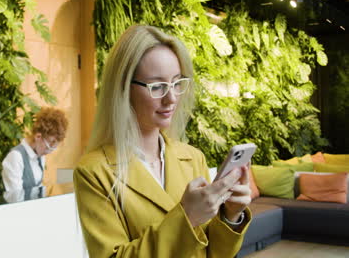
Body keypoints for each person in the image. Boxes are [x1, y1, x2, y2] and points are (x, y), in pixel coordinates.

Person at [73, 25, 252, 257]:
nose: (171, 98)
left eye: (177, 83)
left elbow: (211, 253)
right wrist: (187, 217)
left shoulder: (192, 158)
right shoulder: (94, 172)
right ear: (124, 89)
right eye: (157, 87)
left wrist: (231, 216)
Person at [2, 107, 68, 192]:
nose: (49, 152)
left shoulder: (40, 156)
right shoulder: (15, 158)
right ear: (38, 137)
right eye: (49, 147)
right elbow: (16, 199)